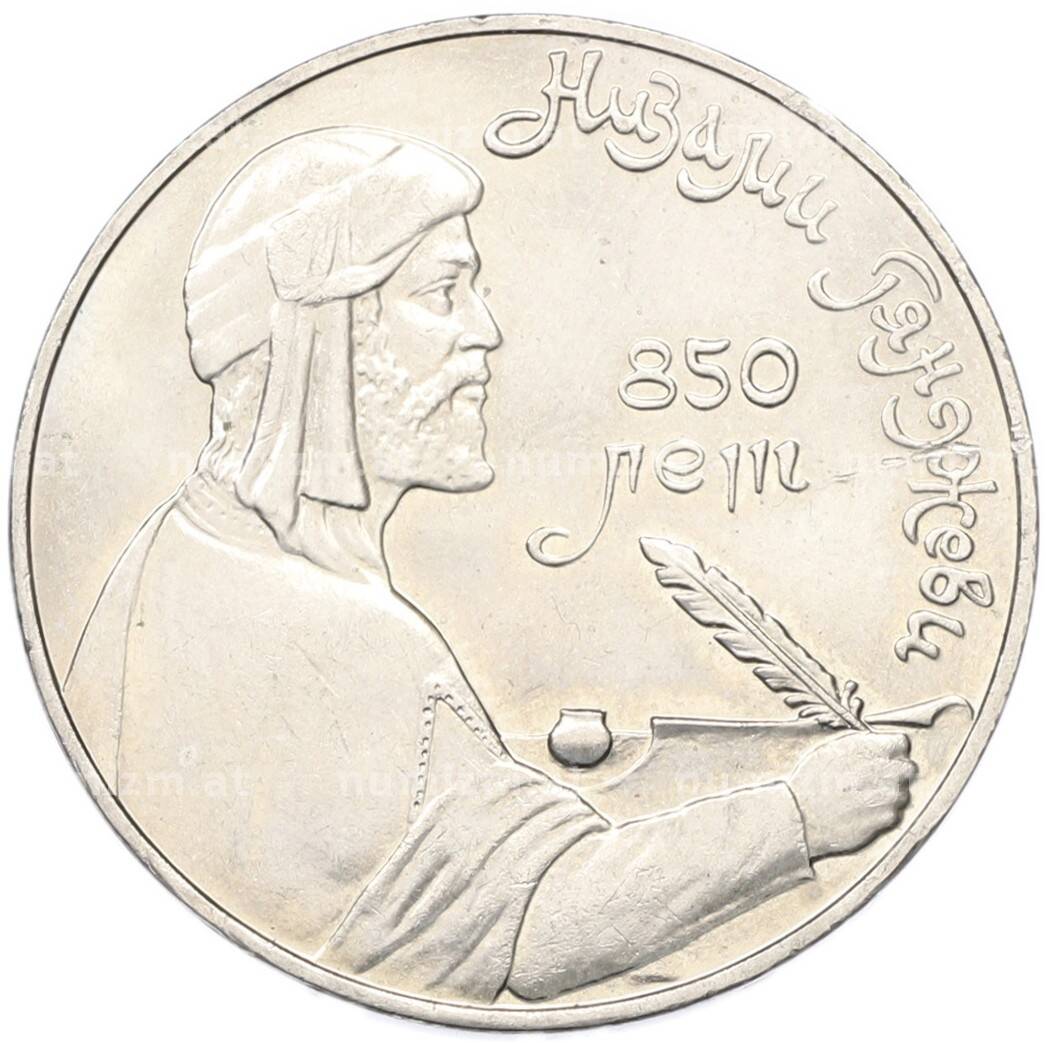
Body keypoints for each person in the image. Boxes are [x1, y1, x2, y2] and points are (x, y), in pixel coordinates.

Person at [65, 127, 915, 1003]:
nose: (486, 331)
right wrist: (801, 815)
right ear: (324, 338)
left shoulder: (171, 552)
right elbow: (542, 925)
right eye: (442, 293)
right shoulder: (342, 636)